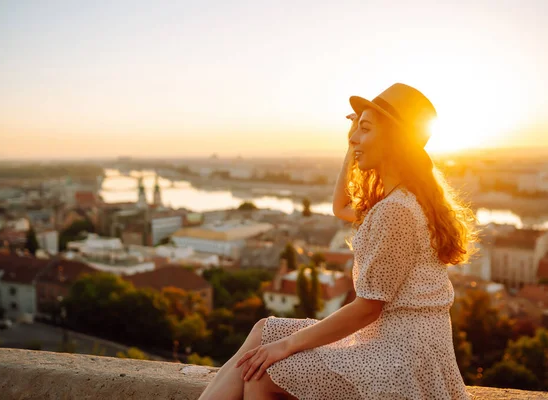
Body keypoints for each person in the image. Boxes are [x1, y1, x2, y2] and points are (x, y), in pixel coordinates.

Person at [199, 83, 476, 400]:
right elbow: (341, 207)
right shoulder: (401, 199)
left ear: (394, 139)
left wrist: (286, 346)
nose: (355, 137)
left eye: (366, 130)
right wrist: (354, 143)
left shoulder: (395, 211)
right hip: (401, 341)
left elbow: (366, 310)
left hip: (402, 355)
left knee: (262, 374)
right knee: (264, 329)